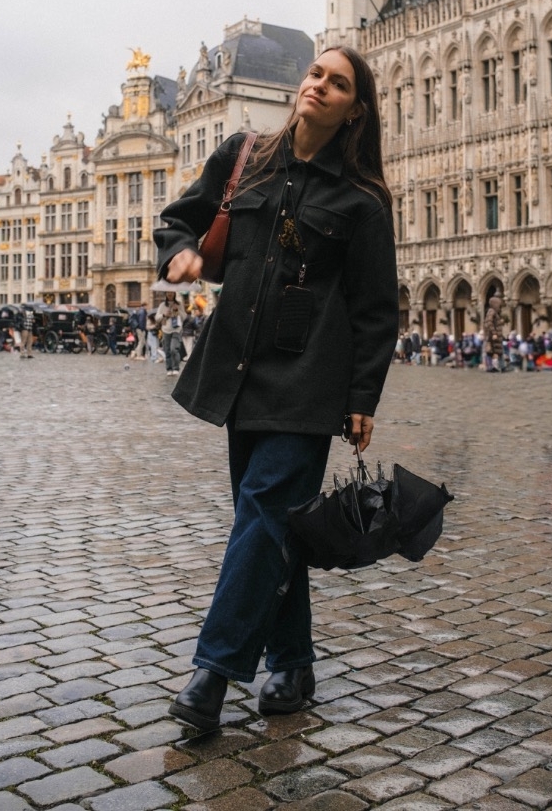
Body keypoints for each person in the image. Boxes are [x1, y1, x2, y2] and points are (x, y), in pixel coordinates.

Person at [155, 45, 398, 731]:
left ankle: (213, 672)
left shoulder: (362, 201)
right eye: (316, 73)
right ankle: (293, 661)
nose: (319, 85)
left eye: (338, 83)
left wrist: (362, 398)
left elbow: (376, 309)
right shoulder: (245, 156)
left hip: (310, 379)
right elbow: (179, 219)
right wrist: (180, 252)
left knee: (263, 514)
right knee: (271, 524)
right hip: (241, 369)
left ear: (355, 109)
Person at [155, 291, 186, 374]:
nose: (170, 294)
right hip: (166, 329)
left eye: (171, 292)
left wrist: (178, 311)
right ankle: (169, 369)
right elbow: (157, 318)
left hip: (176, 329)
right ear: (165, 294)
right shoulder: (162, 305)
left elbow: (184, 317)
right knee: (167, 350)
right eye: (168, 293)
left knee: (173, 349)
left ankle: (176, 368)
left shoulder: (179, 304)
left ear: (174, 294)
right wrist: (164, 315)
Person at [482, 295, 505, 372]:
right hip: (492, 336)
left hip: (496, 336)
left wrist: (500, 322)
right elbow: (489, 322)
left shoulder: (495, 312)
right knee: (490, 352)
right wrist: (494, 333)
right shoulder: (491, 311)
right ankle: (490, 367)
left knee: (498, 352)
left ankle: (501, 367)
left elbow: (494, 323)